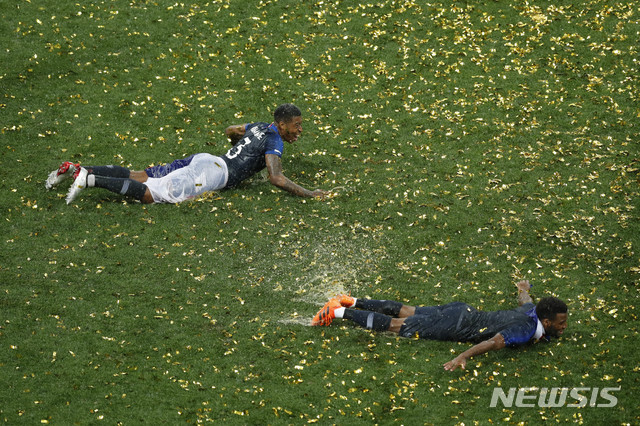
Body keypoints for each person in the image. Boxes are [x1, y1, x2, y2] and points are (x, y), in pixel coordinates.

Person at [45, 103, 328, 204]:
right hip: (212, 174)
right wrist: (310, 193)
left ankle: (76, 167)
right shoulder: (275, 139)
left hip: (205, 160)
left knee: (141, 175)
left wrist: (238, 152)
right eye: (297, 125)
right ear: (281, 125)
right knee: (150, 195)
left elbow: (231, 129)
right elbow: (276, 178)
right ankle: (88, 179)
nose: (300, 130)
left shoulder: (258, 126)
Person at [311, 280, 568, 371]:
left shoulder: (531, 312)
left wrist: (523, 289)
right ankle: (338, 311)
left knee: (409, 310)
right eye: (561, 322)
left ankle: (353, 300)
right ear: (546, 322)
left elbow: (527, 301)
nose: (564, 326)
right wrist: (462, 356)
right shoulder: (525, 330)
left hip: (462, 309)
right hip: (457, 325)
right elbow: (493, 342)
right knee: (399, 326)